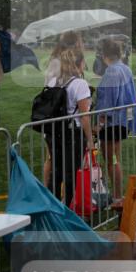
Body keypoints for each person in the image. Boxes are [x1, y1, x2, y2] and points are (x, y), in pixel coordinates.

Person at [46, 48, 95, 206]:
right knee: (70, 172)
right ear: (79, 63)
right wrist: (90, 139)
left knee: (56, 171)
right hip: (72, 133)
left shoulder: (53, 81)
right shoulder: (80, 84)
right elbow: (84, 115)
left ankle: (52, 205)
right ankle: (66, 207)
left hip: (54, 131)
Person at [95, 38, 136, 201]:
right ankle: (117, 194)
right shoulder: (125, 68)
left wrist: (99, 124)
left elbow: (107, 102)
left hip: (110, 122)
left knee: (111, 160)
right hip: (121, 121)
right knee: (115, 159)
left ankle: (116, 196)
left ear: (104, 54)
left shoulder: (112, 71)